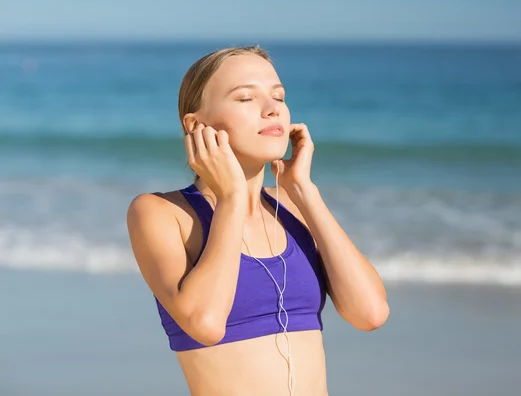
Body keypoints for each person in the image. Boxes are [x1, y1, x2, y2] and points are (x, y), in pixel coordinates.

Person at [126, 45, 389, 396]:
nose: (272, 110)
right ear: (196, 124)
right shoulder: (161, 213)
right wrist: (232, 198)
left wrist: (304, 191)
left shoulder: (294, 210)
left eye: (278, 97)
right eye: (246, 98)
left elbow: (369, 313)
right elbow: (204, 324)